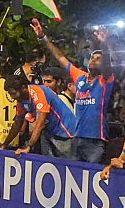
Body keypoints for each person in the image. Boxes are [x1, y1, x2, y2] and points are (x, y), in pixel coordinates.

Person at [31, 20, 116, 163]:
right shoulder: (80, 77)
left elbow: (107, 64)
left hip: (95, 140)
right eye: (92, 57)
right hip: (76, 138)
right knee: (75, 174)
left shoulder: (105, 80)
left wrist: (104, 43)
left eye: (98, 59)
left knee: (92, 175)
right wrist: (43, 37)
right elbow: (60, 57)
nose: (93, 60)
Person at [2, 75, 76, 158]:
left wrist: (28, 146)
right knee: (47, 160)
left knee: (67, 162)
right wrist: (4, 145)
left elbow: (40, 123)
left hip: (65, 131)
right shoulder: (21, 99)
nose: (12, 97)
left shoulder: (38, 92)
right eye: (10, 94)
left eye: (13, 93)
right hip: (49, 132)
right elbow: (17, 123)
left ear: (23, 88)